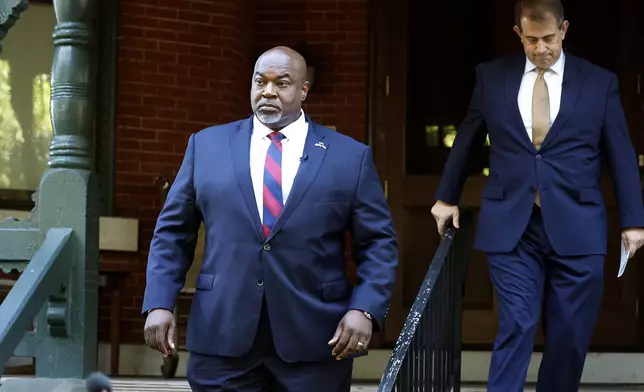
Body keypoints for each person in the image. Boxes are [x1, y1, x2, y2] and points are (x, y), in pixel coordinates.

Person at [141, 46, 398, 392]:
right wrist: (159, 302)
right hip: (222, 336)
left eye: (282, 83)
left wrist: (365, 309)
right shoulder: (206, 146)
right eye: (260, 81)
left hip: (315, 341)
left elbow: (379, 243)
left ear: (304, 90)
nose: (268, 91)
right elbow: (172, 233)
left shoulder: (349, 157)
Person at [430, 0, 644, 391]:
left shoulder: (599, 82)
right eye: (531, 40)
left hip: (579, 224)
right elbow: (467, 139)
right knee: (518, 320)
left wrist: (633, 221)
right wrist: (446, 196)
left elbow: (622, 153)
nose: (541, 48)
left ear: (564, 30)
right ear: (518, 34)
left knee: (569, 335)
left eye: (548, 38)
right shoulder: (492, 77)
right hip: (513, 222)